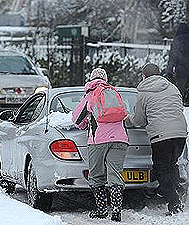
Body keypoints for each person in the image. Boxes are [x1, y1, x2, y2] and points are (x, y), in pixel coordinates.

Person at [127, 63, 187, 215]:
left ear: (144, 76)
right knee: (171, 165)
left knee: (161, 170)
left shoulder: (143, 93)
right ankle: (168, 191)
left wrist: (126, 120)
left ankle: (174, 203)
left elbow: (138, 120)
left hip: (161, 136)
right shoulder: (173, 88)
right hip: (180, 134)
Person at [72, 68, 129, 222]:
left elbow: (77, 120)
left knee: (96, 175)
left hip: (98, 141)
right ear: (106, 78)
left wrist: (86, 123)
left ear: (91, 79)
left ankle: (102, 210)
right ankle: (116, 210)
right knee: (115, 173)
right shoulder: (114, 92)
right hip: (120, 139)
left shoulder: (90, 94)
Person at [166, 22, 189, 106]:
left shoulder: (176, 41)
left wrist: (169, 71)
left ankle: (179, 105)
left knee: (180, 90)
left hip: (181, 70)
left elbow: (173, 57)